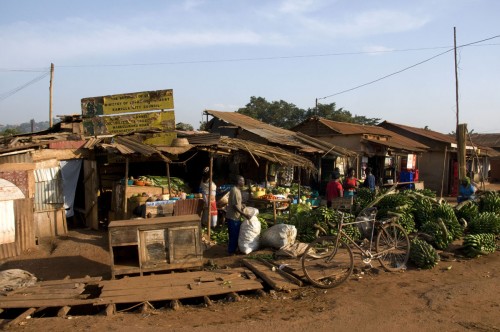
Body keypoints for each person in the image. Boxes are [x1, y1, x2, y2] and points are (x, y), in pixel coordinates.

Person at [225, 175, 251, 255]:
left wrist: (242, 205)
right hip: (233, 217)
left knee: (236, 235)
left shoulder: (238, 190)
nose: (243, 182)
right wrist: (244, 214)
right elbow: (235, 206)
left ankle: (233, 249)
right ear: (238, 181)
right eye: (242, 181)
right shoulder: (235, 191)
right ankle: (231, 252)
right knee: (233, 235)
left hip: (236, 217)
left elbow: (237, 203)